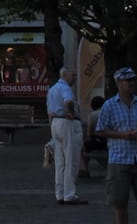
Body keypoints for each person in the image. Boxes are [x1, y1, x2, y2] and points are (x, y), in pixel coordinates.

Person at [97, 67, 137, 224]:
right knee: (119, 202)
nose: (132, 83)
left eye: (133, 80)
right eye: (128, 80)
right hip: (119, 159)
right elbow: (101, 130)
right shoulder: (109, 105)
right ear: (118, 83)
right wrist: (123, 135)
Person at [48, 65, 87, 205]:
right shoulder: (65, 88)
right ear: (65, 75)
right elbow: (68, 101)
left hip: (56, 123)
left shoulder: (52, 89)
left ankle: (60, 193)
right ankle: (69, 194)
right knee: (71, 159)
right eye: (73, 75)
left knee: (60, 162)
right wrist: (71, 112)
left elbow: (50, 111)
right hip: (67, 122)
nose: (75, 78)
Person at [85, 95, 108, 178]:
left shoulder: (92, 115)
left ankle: (84, 169)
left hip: (97, 141)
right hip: (109, 141)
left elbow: (90, 132)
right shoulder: (108, 113)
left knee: (81, 147)